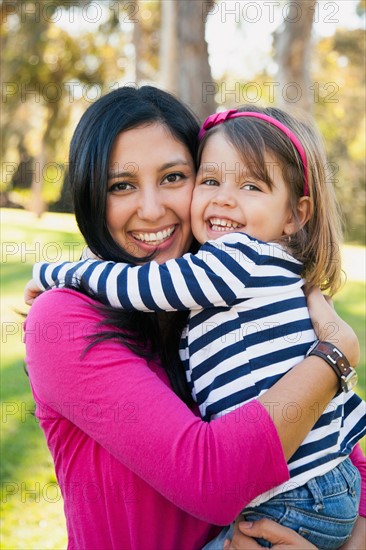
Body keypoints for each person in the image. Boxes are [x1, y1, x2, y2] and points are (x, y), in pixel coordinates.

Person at [24, 87, 365, 550]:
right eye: (120, 185)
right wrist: (333, 356)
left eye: (173, 177)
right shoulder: (65, 317)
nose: (151, 209)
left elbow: (338, 445)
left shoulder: (217, 297)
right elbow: (212, 483)